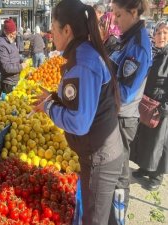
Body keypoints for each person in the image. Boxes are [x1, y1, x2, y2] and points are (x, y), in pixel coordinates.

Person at [32, 0, 123, 224]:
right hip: (100, 153)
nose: (51, 35)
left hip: (100, 157)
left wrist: (49, 107)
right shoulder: (84, 52)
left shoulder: (82, 61)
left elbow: (80, 122)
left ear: (67, 30)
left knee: (94, 220)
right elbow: (83, 100)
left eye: (53, 29)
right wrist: (53, 97)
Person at [108, 1, 152, 224]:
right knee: (112, 171)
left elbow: (122, 93)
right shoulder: (126, 40)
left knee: (119, 175)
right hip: (114, 116)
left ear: (133, 12)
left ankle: (117, 219)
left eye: (118, 15)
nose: (115, 20)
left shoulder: (138, 46)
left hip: (123, 119)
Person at [131, 21, 168, 191]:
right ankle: (145, 168)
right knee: (145, 138)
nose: (161, 36)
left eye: (165, 33)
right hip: (146, 103)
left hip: (161, 107)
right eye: (159, 33)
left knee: (158, 142)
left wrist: (164, 107)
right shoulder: (152, 53)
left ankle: (157, 175)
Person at [0, 19, 26, 96]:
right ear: (7, 32)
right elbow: (6, 67)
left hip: (16, 80)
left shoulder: (10, 41)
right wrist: (21, 67)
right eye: (13, 34)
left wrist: (22, 59)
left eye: (15, 33)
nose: (14, 36)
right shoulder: (1, 44)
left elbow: (15, 56)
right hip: (9, 83)